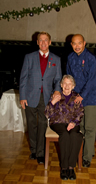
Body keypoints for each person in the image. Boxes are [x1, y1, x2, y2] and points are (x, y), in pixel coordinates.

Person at [19, 31, 62, 164]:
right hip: (30, 96)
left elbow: (58, 79)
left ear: (49, 42)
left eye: (46, 40)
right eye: (40, 40)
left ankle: (40, 153)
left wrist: (56, 91)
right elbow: (23, 78)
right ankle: (33, 150)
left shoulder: (56, 59)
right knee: (31, 124)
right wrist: (22, 96)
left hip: (46, 97)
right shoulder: (29, 57)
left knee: (43, 124)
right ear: (37, 42)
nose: (43, 42)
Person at [66, 34, 96, 168]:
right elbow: (69, 77)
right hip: (76, 99)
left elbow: (94, 80)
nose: (77, 46)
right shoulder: (70, 58)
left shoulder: (91, 58)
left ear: (84, 43)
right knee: (79, 128)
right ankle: (80, 153)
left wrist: (82, 96)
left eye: (79, 43)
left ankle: (87, 157)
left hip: (90, 99)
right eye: (74, 43)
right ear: (71, 45)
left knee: (89, 128)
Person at [45, 75, 84, 180]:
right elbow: (47, 114)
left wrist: (74, 122)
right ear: (61, 85)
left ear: (73, 86)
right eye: (65, 83)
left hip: (72, 123)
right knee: (65, 135)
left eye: (69, 84)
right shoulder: (56, 95)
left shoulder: (77, 97)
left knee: (76, 136)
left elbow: (80, 113)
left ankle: (71, 167)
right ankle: (64, 167)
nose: (67, 86)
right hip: (57, 123)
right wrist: (52, 103)